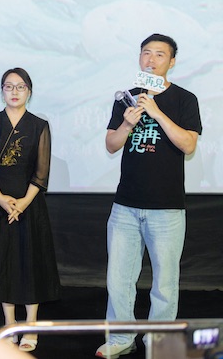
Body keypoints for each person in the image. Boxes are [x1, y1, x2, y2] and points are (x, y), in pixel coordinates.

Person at [96, 34, 202, 358]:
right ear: (139, 58)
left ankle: (160, 341)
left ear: (172, 61)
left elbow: (188, 145)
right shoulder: (126, 98)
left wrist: (156, 112)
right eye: (146, 53)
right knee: (119, 280)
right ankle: (120, 337)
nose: (151, 59)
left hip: (166, 208)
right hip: (126, 205)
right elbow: (111, 144)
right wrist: (127, 125)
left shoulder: (184, 99)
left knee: (165, 284)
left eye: (159, 54)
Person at [0, 68, 60, 353]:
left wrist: (22, 202)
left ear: (29, 92)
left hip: (29, 205)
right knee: (3, 263)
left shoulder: (39, 126)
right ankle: (10, 324)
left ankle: (30, 325)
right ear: (2, 92)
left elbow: (41, 172)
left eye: (20, 87)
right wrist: (2, 200)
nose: (14, 92)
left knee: (30, 263)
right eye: (8, 87)